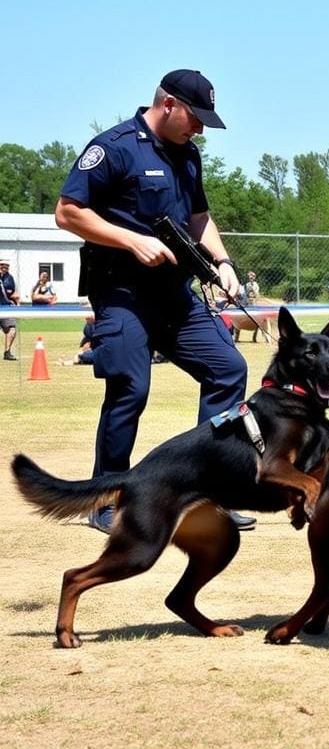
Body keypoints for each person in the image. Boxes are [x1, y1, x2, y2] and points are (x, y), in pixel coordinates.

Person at [54, 69, 256, 533]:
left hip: (175, 295)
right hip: (122, 295)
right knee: (130, 387)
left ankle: (209, 495)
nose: (200, 128)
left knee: (228, 369)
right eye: (195, 117)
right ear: (167, 104)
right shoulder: (114, 146)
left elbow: (200, 217)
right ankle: (104, 501)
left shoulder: (189, 157)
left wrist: (223, 262)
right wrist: (130, 240)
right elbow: (67, 212)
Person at [0, 258, 19, 360]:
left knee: (11, 329)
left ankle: (7, 352)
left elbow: (12, 293)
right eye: (2, 265)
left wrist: (17, 302)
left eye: (6, 266)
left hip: (5, 307)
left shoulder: (9, 278)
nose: (4, 268)